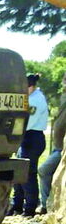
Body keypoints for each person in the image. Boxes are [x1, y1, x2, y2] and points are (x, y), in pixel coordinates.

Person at [11, 73, 48, 217]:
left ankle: (30, 209)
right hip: (26, 137)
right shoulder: (29, 98)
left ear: (31, 86)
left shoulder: (36, 100)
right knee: (18, 173)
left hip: (33, 138)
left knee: (27, 174)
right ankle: (17, 206)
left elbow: (25, 123)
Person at [38, 74, 66, 216]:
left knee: (44, 170)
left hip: (62, 149)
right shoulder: (63, 98)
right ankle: (47, 206)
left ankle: (47, 206)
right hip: (58, 147)